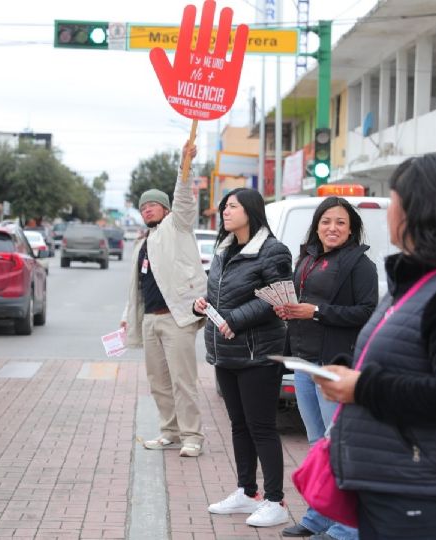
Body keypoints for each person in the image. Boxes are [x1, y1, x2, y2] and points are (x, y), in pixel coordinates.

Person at [315, 153, 436, 540]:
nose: (388, 212)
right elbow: (399, 357)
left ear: (417, 211)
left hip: (430, 495)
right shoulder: (414, 284)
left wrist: (362, 387)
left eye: (393, 202)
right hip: (394, 486)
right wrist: (346, 370)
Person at [275, 197, 378, 540]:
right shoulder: (305, 258)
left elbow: (365, 311)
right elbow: (300, 303)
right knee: (318, 444)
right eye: (326, 222)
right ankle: (319, 516)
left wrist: (315, 312)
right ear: (316, 225)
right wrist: (289, 310)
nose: (332, 228)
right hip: (304, 361)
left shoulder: (359, 264)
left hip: (334, 363)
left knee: (339, 445)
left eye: (340, 223)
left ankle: (348, 525)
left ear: (351, 229)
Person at [192, 187, 293, 528]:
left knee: (262, 426)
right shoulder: (224, 250)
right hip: (226, 352)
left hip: (259, 353)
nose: (225, 211)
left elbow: (277, 297)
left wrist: (235, 318)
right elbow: (219, 293)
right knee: (239, 425)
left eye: (232, 206)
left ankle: (275, 500)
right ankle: (246, 492)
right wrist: (203, 305)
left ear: (251, 210)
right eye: (224, 206)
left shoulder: (273, 250)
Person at [121, 142, 207, 458]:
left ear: (166, 208)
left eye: (153, 205)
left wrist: (184, 165)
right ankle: (169, 432)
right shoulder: (142, 243)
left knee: (184, 381)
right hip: (150, 320)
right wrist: (127, 315)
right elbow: (137, 286)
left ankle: (192, 436)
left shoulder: (177, 225)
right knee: (158, 381)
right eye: (143, 207)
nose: (147, 210)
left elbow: (184, 197)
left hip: (177, 318)